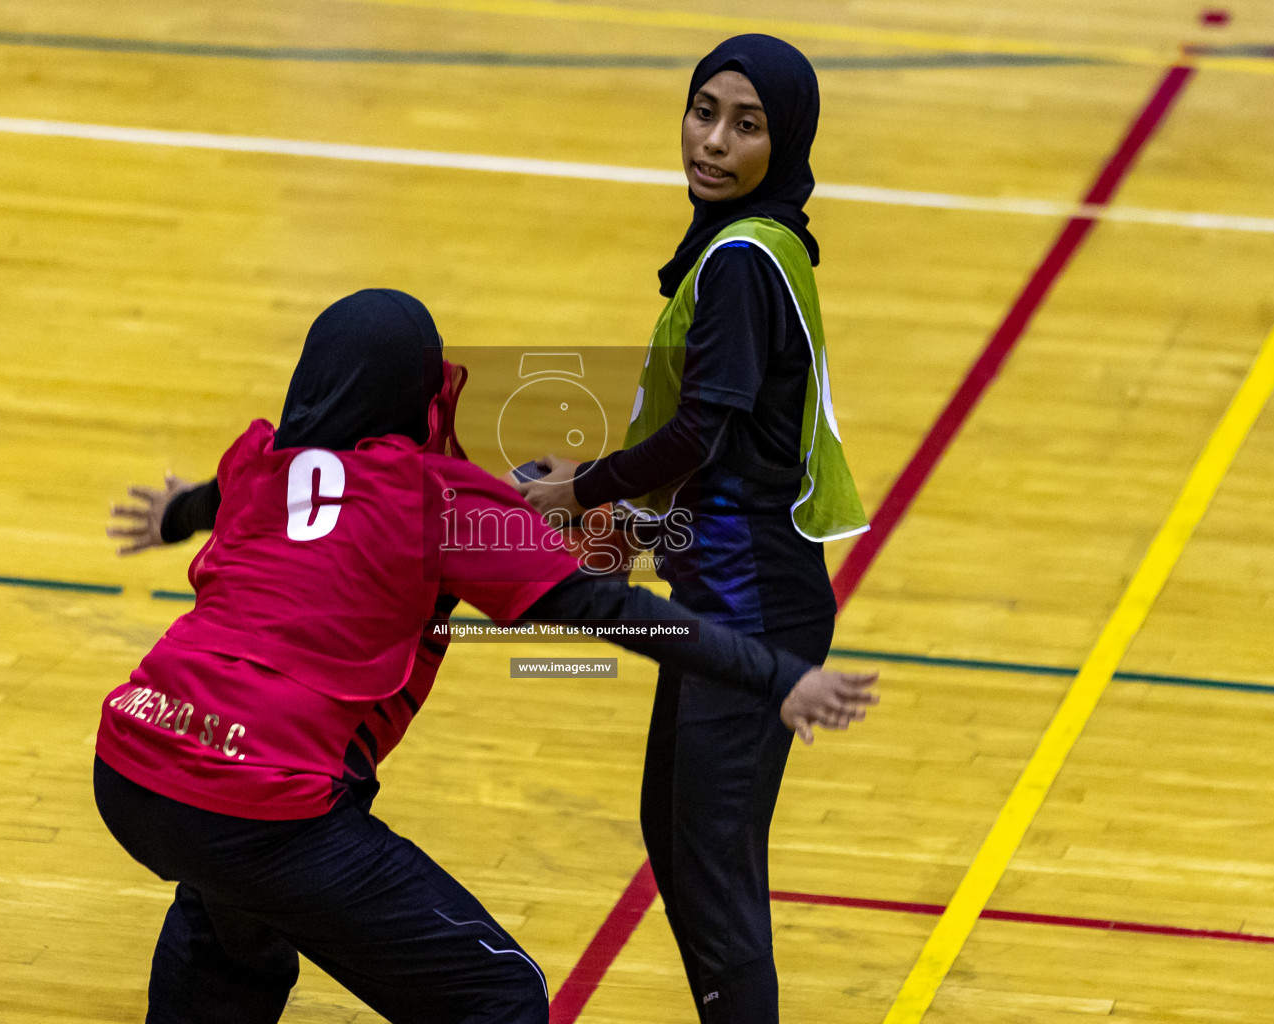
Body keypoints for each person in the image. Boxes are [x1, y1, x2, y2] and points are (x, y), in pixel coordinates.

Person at [97, 288, 878, 1024]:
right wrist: (778, 675)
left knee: (233, 920)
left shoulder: (258, 464)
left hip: (132, 764)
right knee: (501, 996)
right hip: (261, 799)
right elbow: (616, 609)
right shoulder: (441, 500)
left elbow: (219, 497)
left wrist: (173, 516)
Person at [515, 35, 868, 1023]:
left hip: (755, 605)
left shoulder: (745, 262)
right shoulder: (749, 242)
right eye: (703, 110)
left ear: (784, 138)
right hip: (725, 590)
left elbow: (703, 428)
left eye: (746, 125)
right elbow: (721, 448)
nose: (713, 141)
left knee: (710, 869)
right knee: (678, 835)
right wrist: (625, 514)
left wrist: (584, 492)